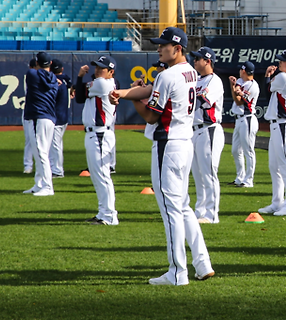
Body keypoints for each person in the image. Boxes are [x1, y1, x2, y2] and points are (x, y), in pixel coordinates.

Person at [110, 27, 214, 285]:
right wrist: (125, 93)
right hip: (184, 141)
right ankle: (202, 264)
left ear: (177, 48)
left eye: (163, 45)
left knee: (171, 211)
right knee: (183, 206)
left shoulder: (168, 76)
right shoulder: (189, 70)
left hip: (168, 144)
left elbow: (150, 115)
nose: (158, 48)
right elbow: (150, 91)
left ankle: (177, 273)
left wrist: (132, 102)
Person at [75, 56, 119, 225]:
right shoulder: (105, 83)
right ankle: (103, 213)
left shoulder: (102, 84)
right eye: (96, 68)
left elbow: (79, 96)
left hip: (100, 134)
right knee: (98, 175)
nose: (97, 71)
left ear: (111, 72)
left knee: (102, 175)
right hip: (95, 133)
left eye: (102, 68)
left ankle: (109, 215)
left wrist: (79, 77)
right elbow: (81, 96)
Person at [258, 49, 286, 216]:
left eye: (283, 61)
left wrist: (268, 76)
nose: (279, 63)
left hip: (284, 125)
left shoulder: (284, 77)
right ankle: (277, 202)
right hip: (279, 125)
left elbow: (267, 89)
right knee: (274, 166)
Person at [189, 47, 225, 224]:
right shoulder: (197, 80)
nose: (195, 61)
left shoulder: (214, 81)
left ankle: (212, 214)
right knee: (198, 174)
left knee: (209, 173)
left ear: (208, 61)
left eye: (198, 58)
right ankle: (200, 211)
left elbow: (203, 100)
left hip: (209, 129)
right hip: (195, 130)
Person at [23, 52, 58, 196]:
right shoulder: (54, 78)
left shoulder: (32, 74)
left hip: (38, 116)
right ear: (50, 64)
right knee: (41, 152)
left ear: (37, 63)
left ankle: (48, 187)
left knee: (41, 152)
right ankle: (39, 184)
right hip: (49, 118)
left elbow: (34, 72)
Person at [228, 61, 260, 188]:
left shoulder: (253, 86)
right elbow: (236, 98)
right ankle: (240, 177)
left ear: (244, 71)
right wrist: (234, 86)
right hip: (239, 119)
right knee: (235, 150)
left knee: (248, 151)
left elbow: (239, 102)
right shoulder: (241, 82)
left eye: (241, 70)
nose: (240, 72)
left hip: (247, 119)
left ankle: (249, 180)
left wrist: (234, 88)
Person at [50, 59, 73, 179]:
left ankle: (57, 170)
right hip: (63, 116)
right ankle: (53, 168)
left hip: (57, 118)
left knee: (55, 145)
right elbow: (70, 84)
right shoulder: (64, 79)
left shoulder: (54, 82)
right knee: (55, 144)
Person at [23, 58, 37, 174]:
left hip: (41, 112)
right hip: (30, 111)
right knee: (29, 140)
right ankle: (28, 165)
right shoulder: (31, 76)